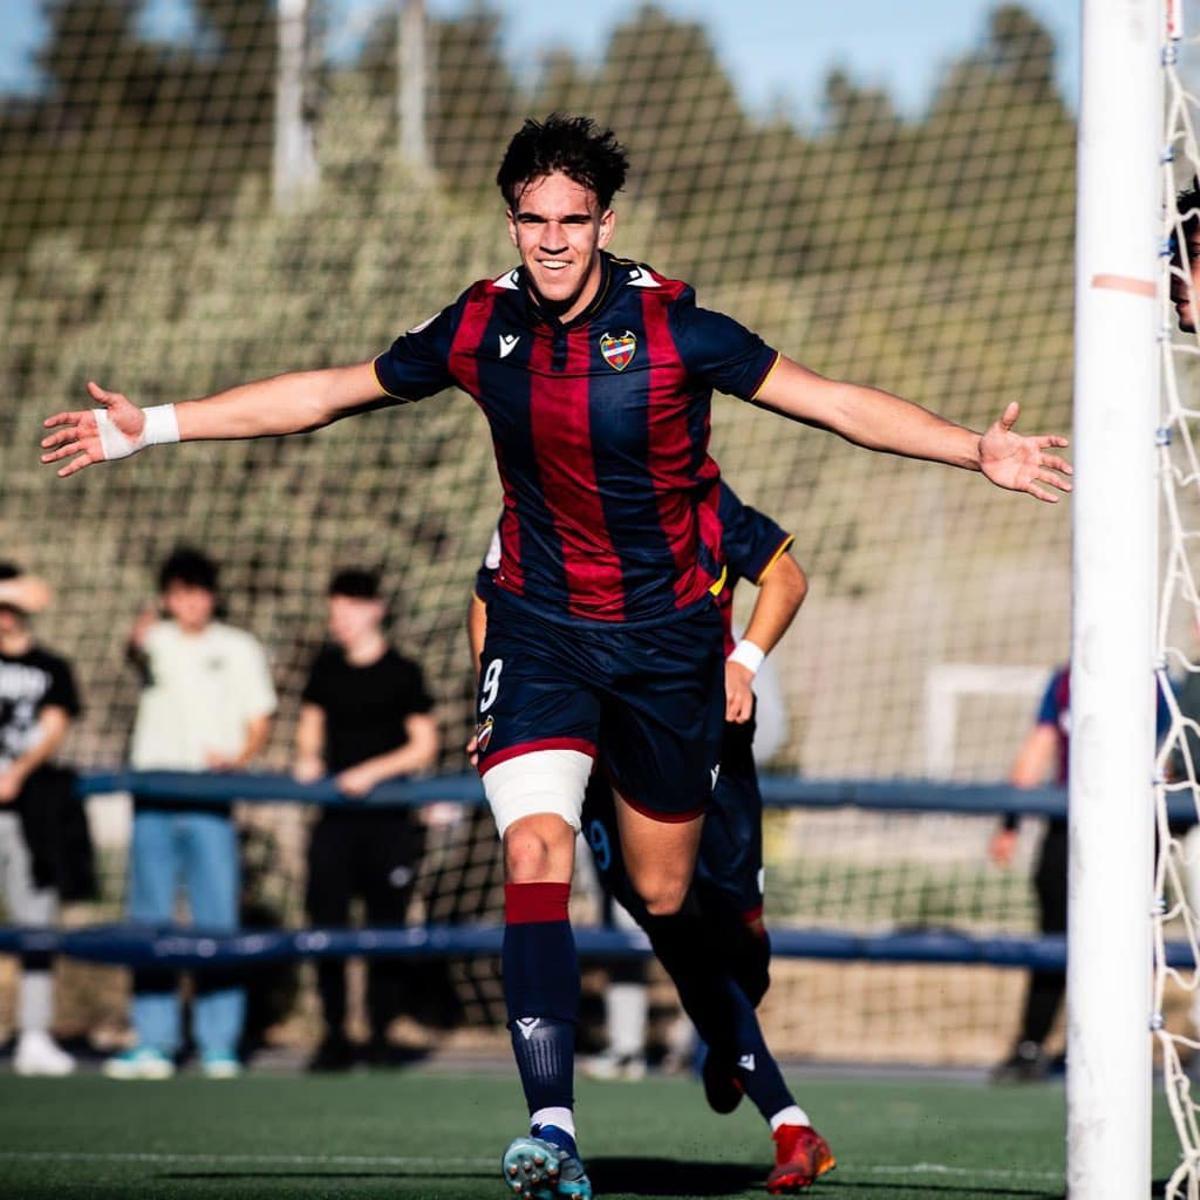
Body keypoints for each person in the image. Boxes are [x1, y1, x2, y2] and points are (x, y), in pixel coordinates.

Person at [42, 113, 1069, 1193]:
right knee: (535, 851)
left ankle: (739, 1037)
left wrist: (974, 449)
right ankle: (554, 1129)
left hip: (671, 649)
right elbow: (327, 393)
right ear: (511, 222)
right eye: (532, 219)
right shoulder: (479, 326)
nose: (552, 240)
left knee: (665, 896)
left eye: (572, 220)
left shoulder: (679, 328)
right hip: (538, 630)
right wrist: (150, 425)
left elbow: (835, 403)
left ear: (605, 223)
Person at [471, 480, 824, 1192]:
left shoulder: (708, 505)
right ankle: (788, 1123)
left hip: (703, 745)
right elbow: (488, 598)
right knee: (667, 924)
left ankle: (736, 1046)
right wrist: (497, 696)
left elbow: (787, 575)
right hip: (597, 749)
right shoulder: (548, 505)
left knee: (742, 944)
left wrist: (742, 662)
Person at [103, 548, 276, 1080]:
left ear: (212, 596)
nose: (190, 603)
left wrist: (238, 760)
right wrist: (139, 630)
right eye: (179, 593)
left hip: (209, 796)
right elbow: (132, 652)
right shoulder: (154, 641)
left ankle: (218, 1042)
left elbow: (260, 717)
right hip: (153, 791)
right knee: (149, 919)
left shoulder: (238, 647)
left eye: (198, 592)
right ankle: (153, 1041)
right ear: (167, 597)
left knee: (216, 922)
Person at [989, 665, 1169, 1082]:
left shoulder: (1158, 686)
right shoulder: (1067, 680)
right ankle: (1033, 1044)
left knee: (1120, 942)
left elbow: (1171, 759)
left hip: (1133, 829)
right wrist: (1010, 822)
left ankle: (1103, 1044)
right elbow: (1039, 746)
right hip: (1067, 825)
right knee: (1054, 937)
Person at [293, 567, 440, 1071]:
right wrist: (309, 759)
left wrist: (371, 774)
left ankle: (380, 1032)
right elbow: (309, 731)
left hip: (389, 823)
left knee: (387, 925)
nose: (342, 621)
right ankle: (334, 1033)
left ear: (376, 609)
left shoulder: (404, 672)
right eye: (335, 611)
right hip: (334, 820)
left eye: (351, 609)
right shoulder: (325, 668)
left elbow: (424, 746)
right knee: (325, 922)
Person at [0, 563, 81, 1076]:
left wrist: (17, 772)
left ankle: (34, 1033)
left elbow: (54, 728)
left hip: (29, 812)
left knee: (36, 924)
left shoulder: (52, 666)